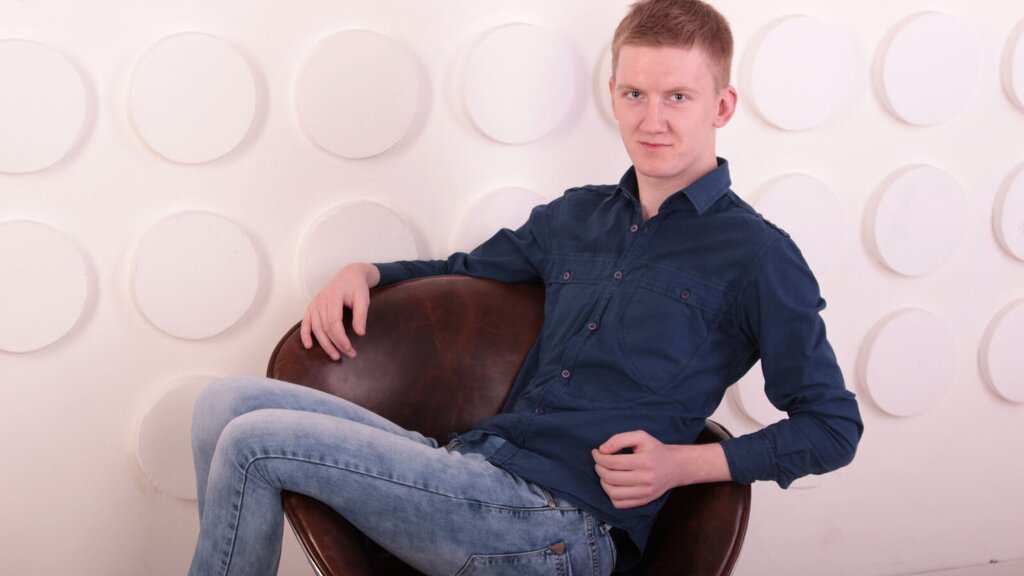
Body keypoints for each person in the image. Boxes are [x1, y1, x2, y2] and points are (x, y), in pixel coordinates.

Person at [188, 0, 863, 574]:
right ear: (613, 95)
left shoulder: (759, 255)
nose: (651, 119)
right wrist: (365, 272)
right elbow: (462, 271)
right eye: (635, 94)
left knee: (254, 445)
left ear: (722, 105)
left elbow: (832, 426)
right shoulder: (577, 217)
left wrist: (685, 465)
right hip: (477, 469)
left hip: (560, 526)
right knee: (222, 404)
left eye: (677, 97)